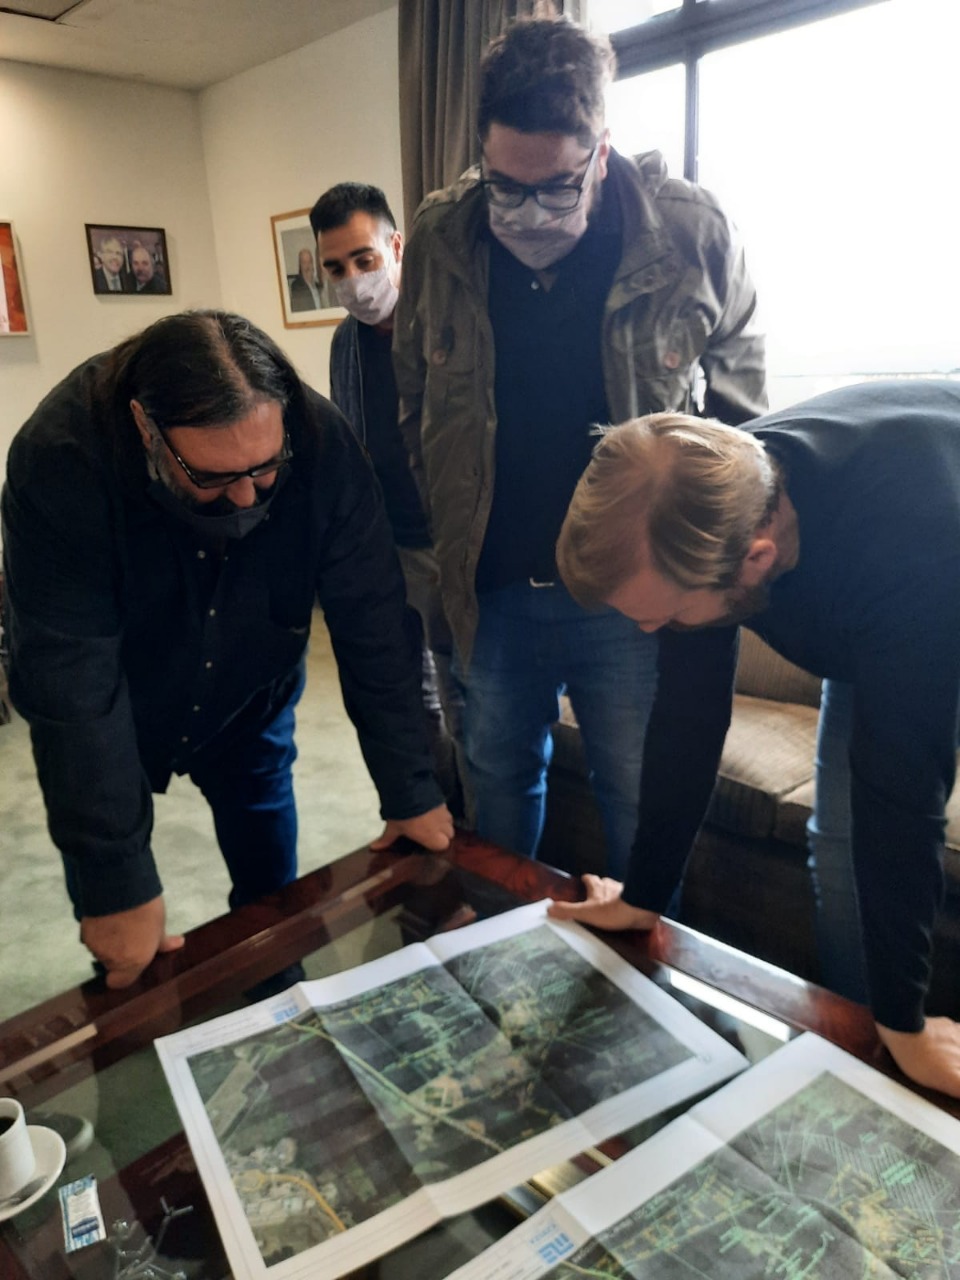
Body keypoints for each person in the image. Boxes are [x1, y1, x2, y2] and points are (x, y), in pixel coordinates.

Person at [393, 14, 767, 876]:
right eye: (505, 185)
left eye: (557, 187)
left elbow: (744, 413)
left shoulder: (689, 233)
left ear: (601, 152)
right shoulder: (443, 236)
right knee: (496, 801)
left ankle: (642, 951)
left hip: (631, 597)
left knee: (639, 803)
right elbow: (415, 401)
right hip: (491, 590)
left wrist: (702, 556)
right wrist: (449, 527)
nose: (528, 213)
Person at [1, 310, 453, 991]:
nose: (246, 497)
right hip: (122, 706)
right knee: (124, 925)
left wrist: (409, 786)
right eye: (213, 478)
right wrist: (114, 881)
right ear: (145, 427)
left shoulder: (323, 441)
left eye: (266, 471)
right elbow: (70, 683)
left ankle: (274, 985)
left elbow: (374, 623)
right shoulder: (59, 457)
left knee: (269, 885)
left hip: (251, 692)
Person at [550, 379, 960, 1098]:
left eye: (663, 616)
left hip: (929, 564)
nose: (646, 632)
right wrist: (644, 895)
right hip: (874, 599)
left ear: (756, 560)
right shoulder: (712, 502)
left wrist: (909, 1025)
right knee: (838, 842)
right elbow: (687, 718)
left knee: (884, 812)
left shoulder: (910, 551)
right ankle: (860, 1040)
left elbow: (904, 795)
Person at [311, 182, 466, 816]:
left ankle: (477, 825)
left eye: (364, 259)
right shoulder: (345, 344)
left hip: (450, 544)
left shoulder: (449, 326)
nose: (353, 280)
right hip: (387, 545)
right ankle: (434, 815)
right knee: (405, 698)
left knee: (463, 693)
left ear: (396, 247)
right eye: (335, 268)